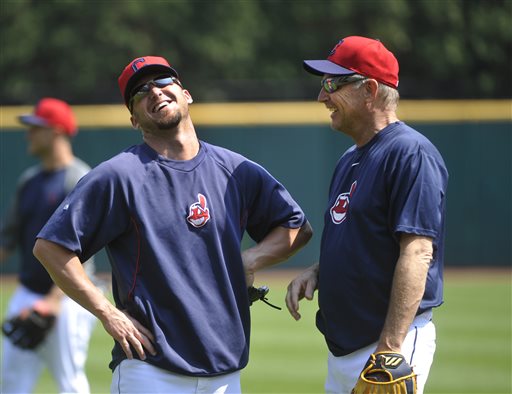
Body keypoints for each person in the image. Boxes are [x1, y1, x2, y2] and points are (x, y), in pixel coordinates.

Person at [33, 55, 313, 393]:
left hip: (225, 375)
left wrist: (250, 260)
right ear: (134, 119)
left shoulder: (234, 170)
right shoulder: (119, 175)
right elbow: (50, 247)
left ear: (186, 94)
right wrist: (109, 314)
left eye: (162, 81)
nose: (154, 91)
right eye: (139, 91)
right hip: (151, 372)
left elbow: (296, 227)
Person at [285, 36, 448, 394]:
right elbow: (362, 237)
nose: (321, 97)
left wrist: (389, 350)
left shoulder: (409, 153)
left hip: (387, 347)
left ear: (370, 90)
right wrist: (318, 271)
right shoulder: (350, 158)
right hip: (344, 352)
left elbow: (418, 251)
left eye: (332, 84)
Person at [0, 98, 97, 393]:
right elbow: (9, 238)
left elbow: (85, 252)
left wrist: (53, 302)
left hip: (68, 298)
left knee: (70, 383)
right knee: (9, 381)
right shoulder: (29, 181)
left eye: (35, 128)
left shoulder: (80, 178)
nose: (28, 134)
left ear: (56, 131)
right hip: (28, 293)